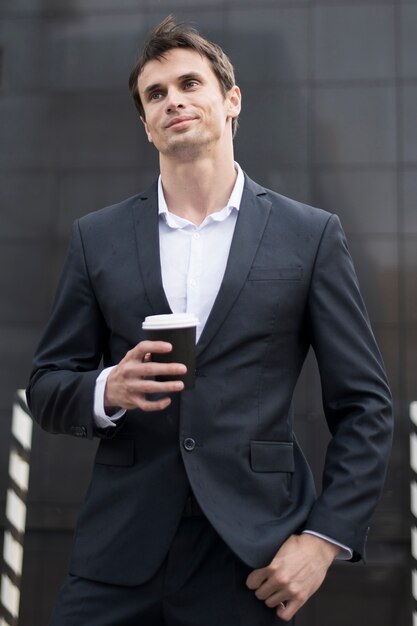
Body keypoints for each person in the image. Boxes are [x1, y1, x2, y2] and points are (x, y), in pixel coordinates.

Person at [26, 15, 393, 626]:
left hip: (249, 556)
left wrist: (325, 540)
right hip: (118, 554)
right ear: (145, 124)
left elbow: (365, 405)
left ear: (231, 100)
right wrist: (105, 389)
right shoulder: (98, 238)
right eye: (156, 94)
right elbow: (46, 385)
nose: (173, 101)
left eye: (190, 84)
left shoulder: (310, 235)